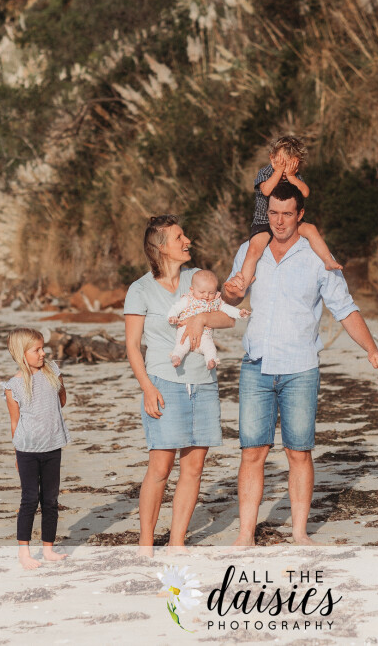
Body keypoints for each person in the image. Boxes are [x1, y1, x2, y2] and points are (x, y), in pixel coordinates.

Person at [222, 182, 378, 546]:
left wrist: (372, 350)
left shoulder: (317, 256)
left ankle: (300, 533)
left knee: (299, 452)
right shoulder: (251, 250)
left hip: (300, 367)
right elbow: (231, 295)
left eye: (287, 214)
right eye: (273, 213)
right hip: (256, 364)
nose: (279, 221)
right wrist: (230, 292)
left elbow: (344, 308)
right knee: (252, 452)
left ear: (300, 215)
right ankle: (245, 535)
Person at [123, 215, 237, 553]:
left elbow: (227, 318)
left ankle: (176, 542)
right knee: (160, 467)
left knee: (194, 467)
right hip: (163, 382)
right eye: (179, 237)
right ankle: (146, 543)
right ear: (161, 248)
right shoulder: (140, 289)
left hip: (204, 383)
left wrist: (202, 317)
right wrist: (147, 388)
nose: (187, 241)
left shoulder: (197, 278)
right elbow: (132, 346)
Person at [233, 136, 341, 293]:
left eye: (290, 166)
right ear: (272, 158)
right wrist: (277, 172)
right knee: (254, 249)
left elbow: (305, 192)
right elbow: (266, 190)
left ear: (297, 165)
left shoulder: (294, 176)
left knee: (311, 229)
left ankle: (327, 260)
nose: (284, 171)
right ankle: (243, 282)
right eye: (281, 164)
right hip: (264, 222)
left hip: (291, 222)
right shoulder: (265, 172)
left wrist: (291, 177)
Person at [1, 327, 70, 569]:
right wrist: (16, 454)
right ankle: (24, 552)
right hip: (27, 451)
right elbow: (15, 422)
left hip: (52, 446)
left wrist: (58, 386)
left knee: (50, 499)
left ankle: (48, 549)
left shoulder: (53, 372)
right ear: (21, 353)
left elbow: (61, 401)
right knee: (29, 499)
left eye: (43, 348)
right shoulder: (13, 386)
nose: (43, 353)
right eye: (37, 350)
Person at [166, 269, 250, 369]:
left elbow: (227, 309)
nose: (206, 295)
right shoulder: (188, 299)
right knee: (182, 345)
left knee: (210, 348)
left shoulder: (216, 301)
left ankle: (211, 361)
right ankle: (176, 357)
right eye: (202, 292)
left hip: (205, 336)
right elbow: (175, 308)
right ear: (192, 290)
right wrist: (172, 317)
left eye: (211, 292)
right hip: (186, 332)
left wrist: (239, 313)